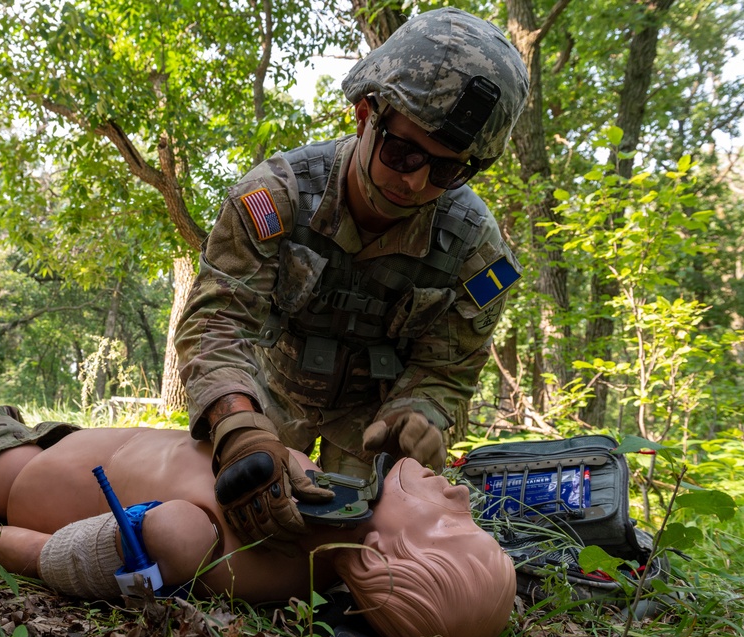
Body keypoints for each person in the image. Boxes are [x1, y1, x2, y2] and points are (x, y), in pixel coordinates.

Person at [174, 7, 530, 549]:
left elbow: (447, 368)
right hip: (264, 396)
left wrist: (420, 416)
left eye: (445, 170)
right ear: (366, 114)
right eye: (403, 151)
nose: (414, 181)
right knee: (222, 522)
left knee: (363, 545)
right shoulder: (278, 197)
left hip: (372, 423)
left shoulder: (476, 253)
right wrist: (238, 427)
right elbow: (216, 323)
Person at [0, 406, 517, 637]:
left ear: (380, 551)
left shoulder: (205, 545)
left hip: (4, 475)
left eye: (452, 520)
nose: (462, 492)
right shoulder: (329, 511)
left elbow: (57, 556)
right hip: (67, 437)